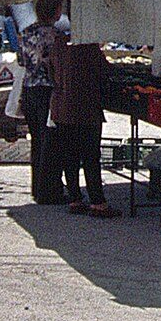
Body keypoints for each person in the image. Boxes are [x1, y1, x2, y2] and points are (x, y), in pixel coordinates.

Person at [50, 38, 117, 218]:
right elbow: (105, 72)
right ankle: (97, 202)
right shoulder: (89, 48)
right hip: (86, 109)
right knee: (90, 157)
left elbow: (50, 71)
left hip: (61, 107)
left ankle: (75, 199)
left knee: (69, 156)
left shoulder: (58, 44)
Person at [17, 0, 67, 206]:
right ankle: (50, 190)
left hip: (29, 90)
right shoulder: (55, 36)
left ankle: (38, 187)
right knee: (51, 142)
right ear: (55, 11)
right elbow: (56, 65)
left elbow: (22, 61)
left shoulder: (26, 32)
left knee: (37, 140)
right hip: (47, 91)